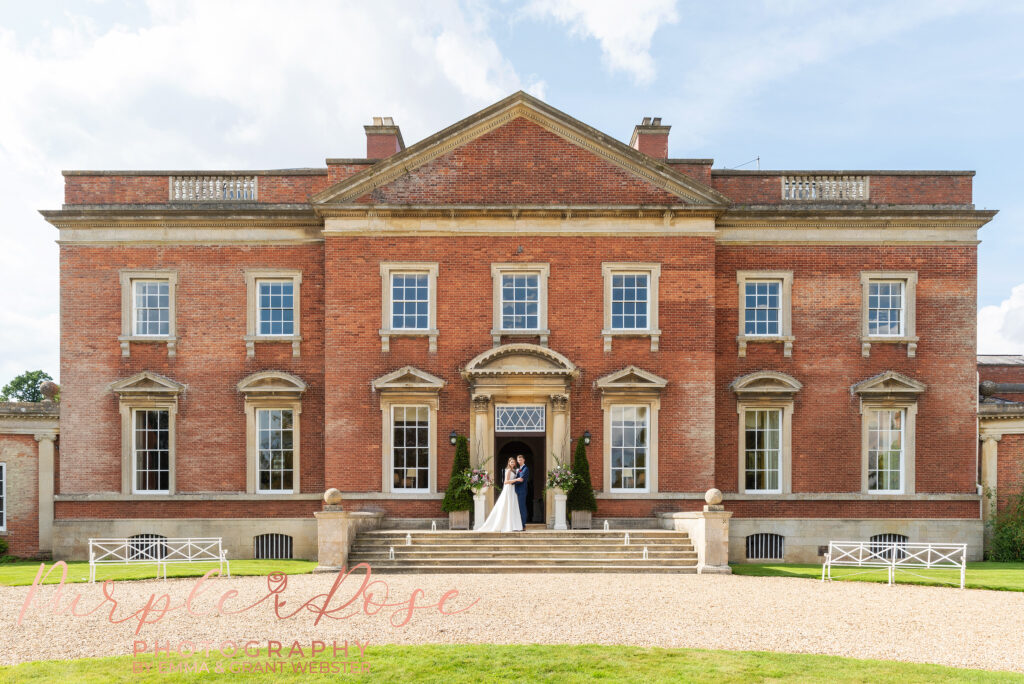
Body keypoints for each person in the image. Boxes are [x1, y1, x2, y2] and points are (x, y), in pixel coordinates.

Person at [476, 457, 523, 533]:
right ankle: (507, 525)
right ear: (508, 463)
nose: (513, 463)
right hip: (508, 489)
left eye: (514, 462)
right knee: (507, 505)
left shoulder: (514, 470)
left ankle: (514, 525)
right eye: (511, 462)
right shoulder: (508, 470)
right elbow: (506, 482)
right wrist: (516, 480)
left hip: (513, 489)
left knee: (513, 506)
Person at [513, 454, 530, 528]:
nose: (519, 461)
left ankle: (523, 524)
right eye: (518, 460)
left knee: (522, 507)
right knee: (517, 507)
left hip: (522, 491)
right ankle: (518, 524)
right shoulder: (518, 468)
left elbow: (521, 479)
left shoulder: (525, 469)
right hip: (516, 491)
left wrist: (511, 482)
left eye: (521, 460)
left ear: (524, 460)